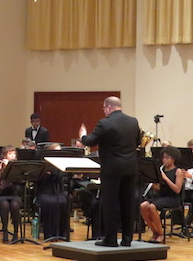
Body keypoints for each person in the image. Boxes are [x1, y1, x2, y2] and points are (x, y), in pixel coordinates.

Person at [78, 96, 141, 247]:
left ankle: (110, 239)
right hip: (130, 168)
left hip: (112, 169)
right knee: (128, 203)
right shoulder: (133, 121)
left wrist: (82, 135)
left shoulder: (105, 123)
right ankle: (127, 239)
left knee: (110, 204)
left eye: (104, 108)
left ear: (108, 107)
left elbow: (91, 141)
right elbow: (138, 142)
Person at [140, 146, 183, 243]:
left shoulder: (178, 171)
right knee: (143, 206)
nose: (165, 160)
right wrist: (155, 184)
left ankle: (160, 233)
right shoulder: (161, 170)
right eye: (164, 157)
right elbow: (160, 190)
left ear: (173, 158)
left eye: (168, 158)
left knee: (152, 207)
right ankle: (154, 231)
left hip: (173, 198)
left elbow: (177, 190)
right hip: (161, 197)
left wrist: (165, 178)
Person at [35, 143, 70, 240]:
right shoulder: (43, 164)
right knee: (50, 202)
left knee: (64, 201)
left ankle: (62, 233)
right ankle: (49, 233)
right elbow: (38, 180)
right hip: (44, 192)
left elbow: (61, 177)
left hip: (58, 191)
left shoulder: (61, 164)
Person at [0, 145, 22, 243]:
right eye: (10, 154)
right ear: (5, 156)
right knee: (4, 204)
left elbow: (20, 181)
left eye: (14, 154)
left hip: (13, 194)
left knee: (15, 205)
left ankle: (16, 232)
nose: (12, 156)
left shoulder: (16, 167)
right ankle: (4, 231)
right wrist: (0, 168)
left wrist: (11, 168)